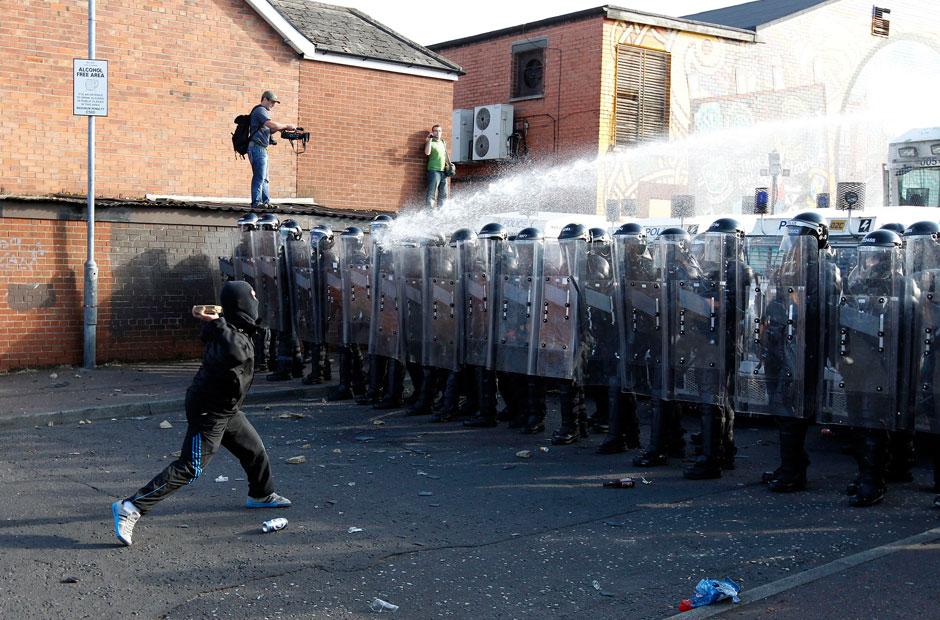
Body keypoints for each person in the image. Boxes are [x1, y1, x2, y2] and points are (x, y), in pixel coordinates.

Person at [111, 281, 291, 546]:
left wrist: (218, 320)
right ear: (241, 303)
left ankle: (261, 495)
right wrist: (217, 322)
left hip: (227, 407)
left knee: (253, 450)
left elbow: (237, 334)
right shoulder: (226, 334)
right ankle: (131, 507)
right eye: (252, 296)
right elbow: (236, 351)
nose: (256, 300)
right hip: (209, 409)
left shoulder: (230, 327)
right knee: (191, 467)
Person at [248, 90, 297, 210]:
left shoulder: (264, 112)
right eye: (271, 101)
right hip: (257, 148)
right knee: (260, 176)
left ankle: (265, 202)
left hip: (261, 148)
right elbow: (271, 125)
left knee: (265, 177)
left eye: (274, 102)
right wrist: (285, 126)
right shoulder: (260, 110)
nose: (273, 104)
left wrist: (280, 129)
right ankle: (257, 202)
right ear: (264, 99)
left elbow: (269, 129)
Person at [424, 124, 449, 209]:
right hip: (434, 171)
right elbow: (427, 153)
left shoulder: (443, 142)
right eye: (435, 131)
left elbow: (445, 156)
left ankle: (441, 212)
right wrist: (429, 140)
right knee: (432, 193)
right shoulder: (430, 142)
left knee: (444, 194)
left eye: (439, 131)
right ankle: (429, 212)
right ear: (433, 132)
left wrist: (448, 166)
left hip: (443, 172)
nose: (437, 133)